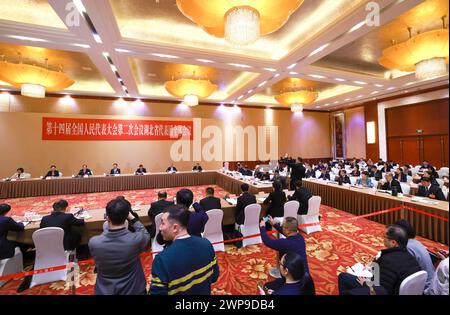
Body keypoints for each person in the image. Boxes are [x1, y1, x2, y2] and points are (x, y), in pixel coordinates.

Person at [149, 204, 219, 295]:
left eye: (162, 223)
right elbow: (214, 277)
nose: (160, 227)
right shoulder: (206, 244)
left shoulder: (161, 259)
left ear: (175, 227)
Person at [89, 197, 150, 295]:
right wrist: (133, 219)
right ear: (127, 216)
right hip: (134, 289)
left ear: (107, 217)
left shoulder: (94, 242)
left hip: (106, 290)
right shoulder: (135, 240)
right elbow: (146, 235)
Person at [338, 225, 421, 295]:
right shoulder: (411, 257)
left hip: (384, 290)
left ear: (393, 242)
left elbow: (381, 290)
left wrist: (365, 283)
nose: (383, 239)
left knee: (343, 277)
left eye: (384, 237)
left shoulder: (388, 260)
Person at [395, 219, 435, 290]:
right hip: (432, 281)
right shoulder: (416, 242)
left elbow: (402, 271)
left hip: (425, 287)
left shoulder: (407, 247)